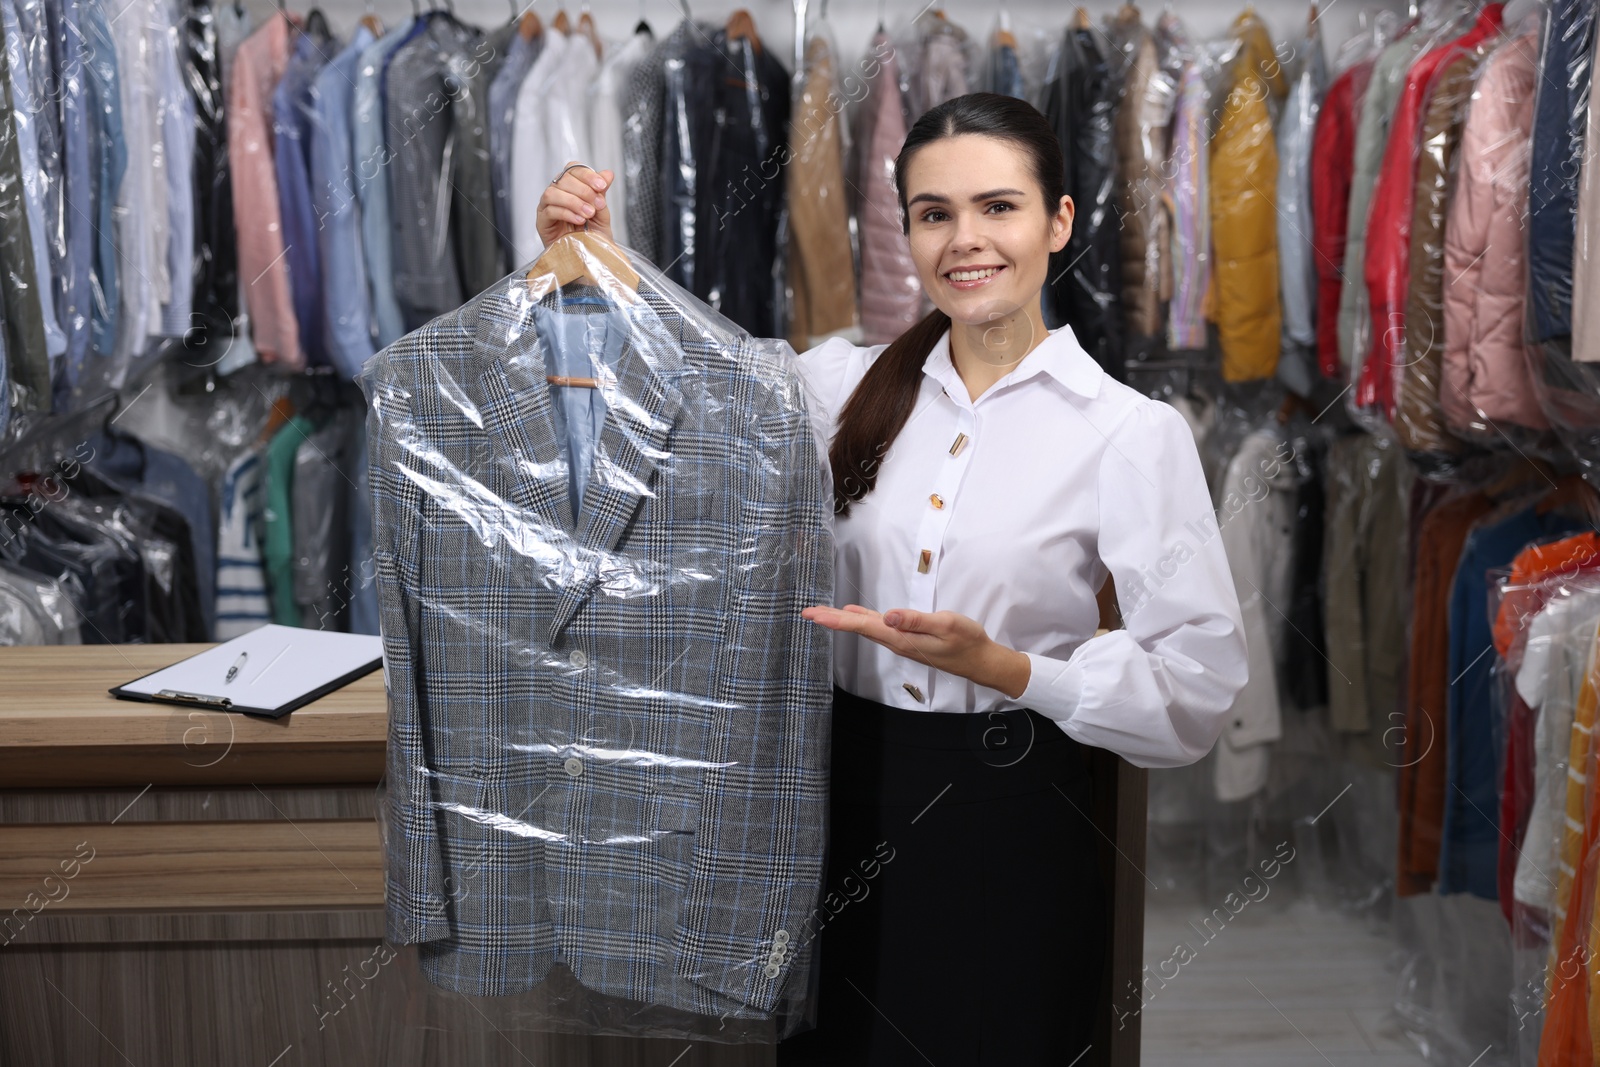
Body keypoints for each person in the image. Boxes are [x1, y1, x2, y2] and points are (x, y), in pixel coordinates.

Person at [536, 92, 1247, 1066]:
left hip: (1009, 816)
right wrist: (596, 259)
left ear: (1059, 220)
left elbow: (1198, 691)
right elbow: (672, 400)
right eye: (933, 212)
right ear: (903, 228)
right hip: (831, 800)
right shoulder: (835, 383)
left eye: (998, 206)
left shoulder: (1128, 433)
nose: (966, 239)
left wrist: (1008, 666)